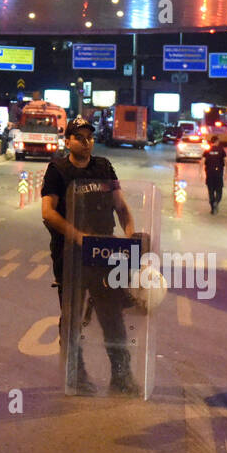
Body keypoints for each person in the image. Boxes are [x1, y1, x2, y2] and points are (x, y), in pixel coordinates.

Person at [40, 118, 140, 395]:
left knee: (112, 318)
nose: (86, 142)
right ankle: (76, 376)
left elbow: (121, 207)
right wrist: (77, 235)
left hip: (104, 255)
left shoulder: (103, 167)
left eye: (89, 137)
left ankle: (122, 377)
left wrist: (130, 236)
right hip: (70, 255)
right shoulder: (58, 170)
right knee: (71, 317)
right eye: (80, 137)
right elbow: (48, 212)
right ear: (68, 141)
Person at [202, 135, 227, 214]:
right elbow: (226, 161)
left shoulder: (207, 150)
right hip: (218, 173)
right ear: (216, 141)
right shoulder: (221, 150)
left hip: (209, 173)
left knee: (211, 191)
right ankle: (217, 201)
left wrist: (200, 172)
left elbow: (202, 161)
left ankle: (213, 208)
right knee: (219, 190)